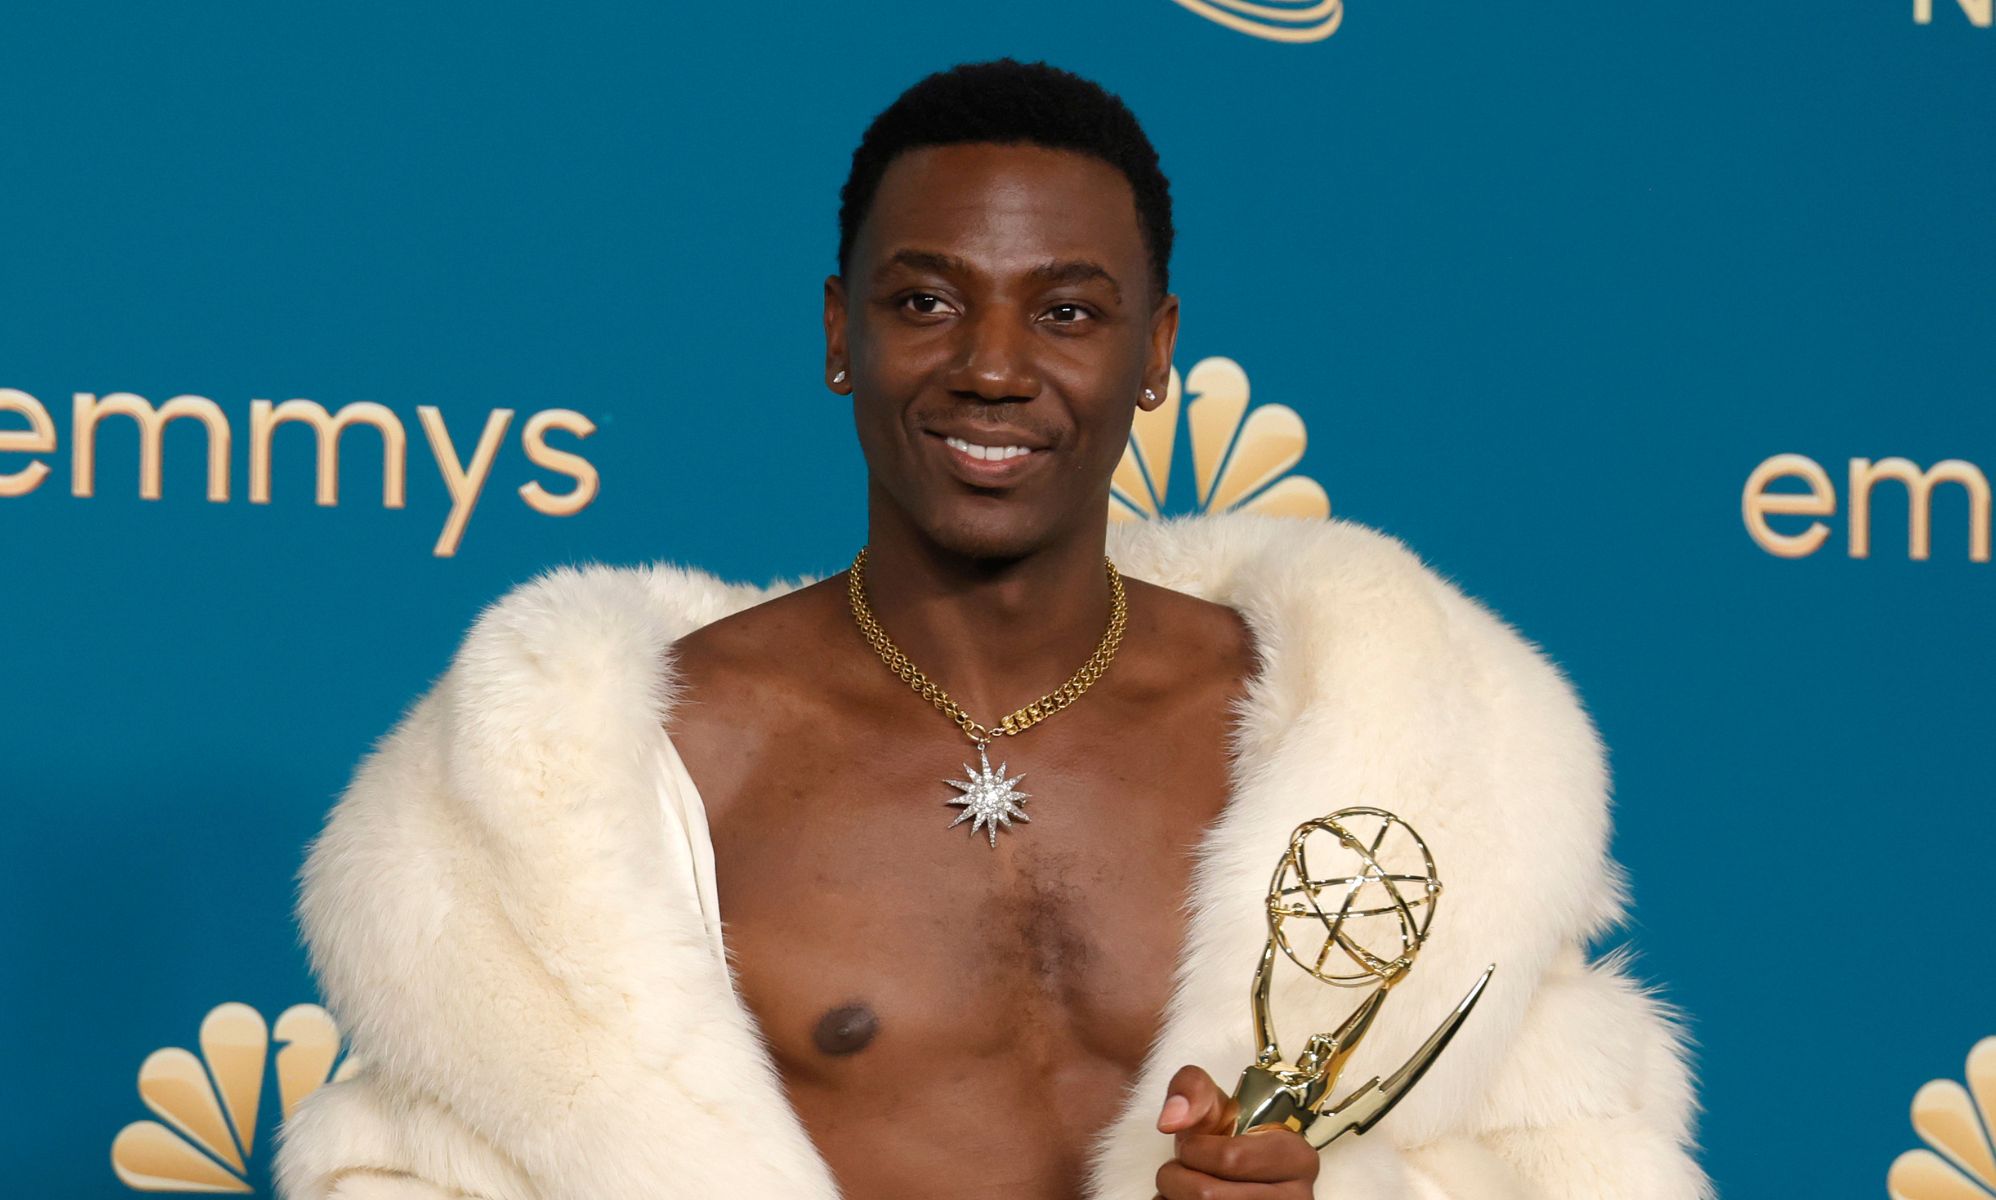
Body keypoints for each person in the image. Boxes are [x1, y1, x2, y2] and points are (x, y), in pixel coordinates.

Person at [273, 60, 1709, 1200]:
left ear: (1154, 354)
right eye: (926, 301)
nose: (995, 368)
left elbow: (1561, 1161)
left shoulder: (1374, 756)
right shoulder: (652, 769)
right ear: (841, 331)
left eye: (1070, 311)